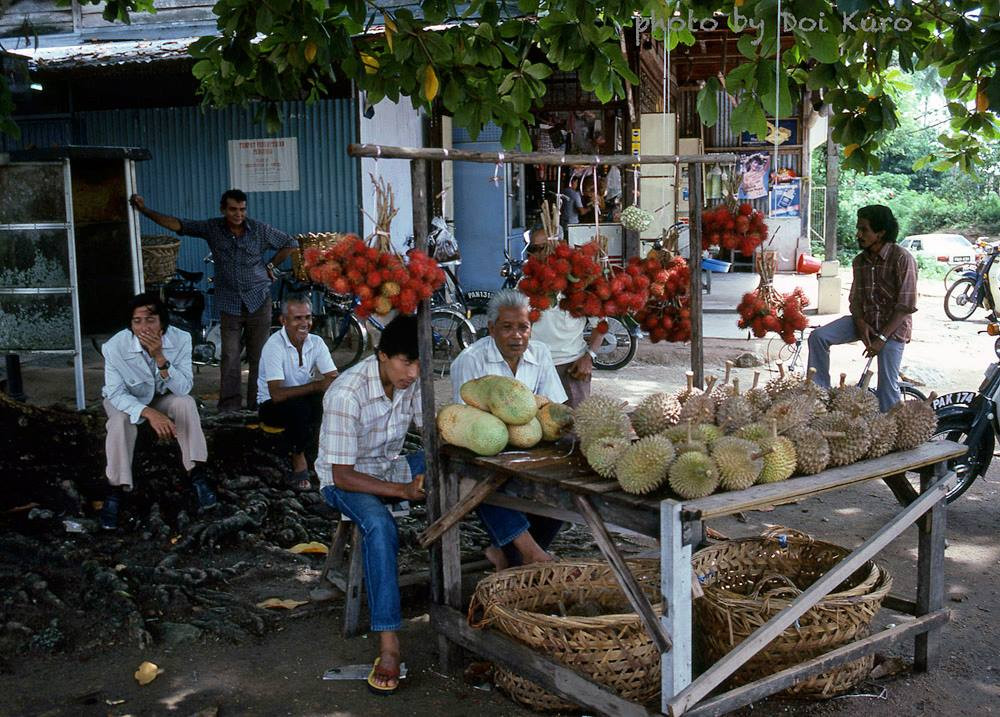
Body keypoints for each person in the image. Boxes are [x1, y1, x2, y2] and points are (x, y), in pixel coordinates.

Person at [315, 314, 426, 696]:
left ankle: (502, 553)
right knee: (380, 526)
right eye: (404, 362)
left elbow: (431, 430)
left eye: (418, 364)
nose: (412, 373)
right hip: (344, 480)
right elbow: (342, 475)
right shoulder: (346, 393)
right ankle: (389, 643)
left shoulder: (410, 382)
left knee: (457, 460)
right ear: (381, 355)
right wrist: (404, 492)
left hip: (389, 467)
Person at [129, 190, 297, 412]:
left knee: (261, 357)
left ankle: (258, 405)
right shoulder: (212, 228)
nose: (238, 214)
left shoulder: (258, 229)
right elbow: (179, 225)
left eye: (242, 209)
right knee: (229, 356)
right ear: (223, 210)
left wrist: (271, 266)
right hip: (229, 302)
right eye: (233, 209)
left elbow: (290, 243)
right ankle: (229, 407)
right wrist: (145, 210)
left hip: (258, 299)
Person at [451, 289, 566, 571]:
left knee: (565, 494)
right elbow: (468, 421)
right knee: (484, 483)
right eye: (507, 327)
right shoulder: (471, 360)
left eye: (523, 327)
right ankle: (529, 554)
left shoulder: (540, 353)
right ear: (491, 329)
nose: (517, 336)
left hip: (529, 449)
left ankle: (508, 556)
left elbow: (552, 407)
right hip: (482, 452)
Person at [99, 293, 217, 530]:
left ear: (162, 322)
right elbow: (115, 393)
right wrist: (149, 414)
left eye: (150, 320)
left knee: (185, 404)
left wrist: (161, 359)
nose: (144, 327)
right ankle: (115, 491)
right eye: (137, 321)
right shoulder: (114, 347)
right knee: (120, 421)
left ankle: (197, 474)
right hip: (125, 401)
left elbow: (184, 388)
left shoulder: (181, 339)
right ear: (130, 325)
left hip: (163, 398)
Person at [807, 205, 917, 411]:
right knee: (818, 337)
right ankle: (818, 397)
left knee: (886, 386)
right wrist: (860, 322)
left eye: (864, 230)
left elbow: (906, 306)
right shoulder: (860, 261)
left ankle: (889, 431)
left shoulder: (902, 258)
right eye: (858, 229)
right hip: (864, 322)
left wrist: (882, 338)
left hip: (892, 330)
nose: (858, 234)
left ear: (881, 232)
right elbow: (855, 301)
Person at [256, 294, 338, 490]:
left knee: (329, 399)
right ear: (283, 321)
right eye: (297, 318)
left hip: (301, 399)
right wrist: (318, 385)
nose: (305, 323)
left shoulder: (316, 342)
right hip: (271, 406)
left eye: (308, 317)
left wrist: (330, 385)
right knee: (299, 407)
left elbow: (333, 377)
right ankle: (298, 458)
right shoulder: (274, 346)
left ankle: (324, 453)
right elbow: (276, 394)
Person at [524, 227, 604, 407]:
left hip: (572, 367)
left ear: (558, 247)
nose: (538, 254)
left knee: (574, 428)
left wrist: (589, 357)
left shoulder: (579, 286)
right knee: (535, 429)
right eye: (533, 249)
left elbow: (601, 325)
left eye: (543, 248)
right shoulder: (525, 286)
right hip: (534, 368)